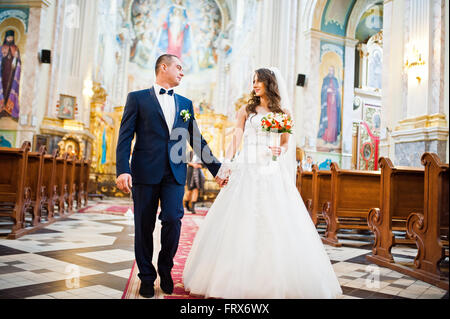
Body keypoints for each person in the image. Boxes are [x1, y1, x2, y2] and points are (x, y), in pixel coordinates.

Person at [183, 67, 343, 298]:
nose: (254, 84)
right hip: (246, 169)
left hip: (270, 170)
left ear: (270, 83)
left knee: (274, 220)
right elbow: (236, 139)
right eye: (253, 81)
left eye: (258, 81)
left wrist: (282, 148)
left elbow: (287, 142)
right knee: (240, 220)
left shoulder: (283, 112)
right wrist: (226, 164)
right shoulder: (246, 111)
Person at [115, 54, 226, 298]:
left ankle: (165, 270)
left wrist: (217, 170)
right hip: (144, 171)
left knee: (173, 221)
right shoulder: (137, 99)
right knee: (144, 225)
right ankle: (146, 276)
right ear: (163, 67)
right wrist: (123, 168)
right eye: (179, 67)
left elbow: (196, 139)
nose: (182, 72)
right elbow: (124, 137)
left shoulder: (185, 104)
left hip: (175, 172)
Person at [0, 30, 21, 120]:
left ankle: (8, 109)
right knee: (2, 89)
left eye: (11, 37)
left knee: (9, 90)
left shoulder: (16, 48)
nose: (10, 39)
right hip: (3, 73)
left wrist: (16, 58)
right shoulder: (1, 48)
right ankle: (1, 108)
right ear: (5, 38)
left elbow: (19, 62)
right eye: (8, 37)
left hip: (11, 74)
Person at [317, 66, 341, 145]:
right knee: (327, 120)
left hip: (333, 105)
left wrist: (335, 92)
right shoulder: (325, 79)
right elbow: (322, 91)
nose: (331, 72)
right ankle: (326, 138)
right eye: (330, 70)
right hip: (327, 104)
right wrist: (327, 90)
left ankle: (333, 139)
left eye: (332, 70)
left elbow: (338, 92)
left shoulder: (335, 80)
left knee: (333, 121)